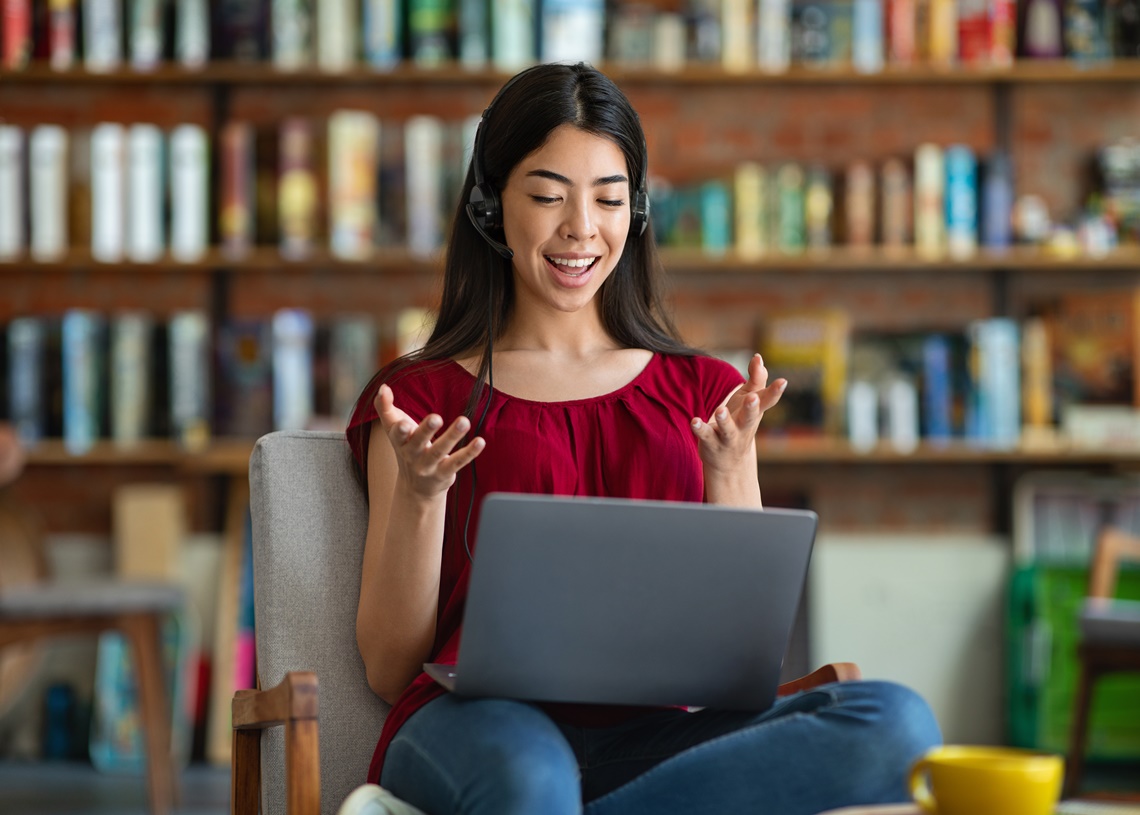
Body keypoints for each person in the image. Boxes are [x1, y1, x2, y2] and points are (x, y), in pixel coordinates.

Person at [346, 62, 941, 815]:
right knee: (531, 783)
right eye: (547, 195)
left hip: (658, 738)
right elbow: (390, 668)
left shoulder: (702, 392)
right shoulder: (420, 400)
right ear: (491, 207)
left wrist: (729, 470)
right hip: (478, 727)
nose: (580, 228)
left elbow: (736, 658)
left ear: (640, 210)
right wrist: (424, 495)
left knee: (895, 724)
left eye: (608, 199)